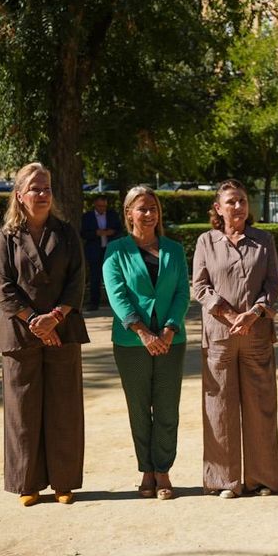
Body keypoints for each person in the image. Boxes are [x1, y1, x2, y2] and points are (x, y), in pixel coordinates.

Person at [0, 163, 88, 505]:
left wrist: (55, 317)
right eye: (35, 188)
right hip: (20, 334)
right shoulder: (7, 236)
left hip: (63, 329)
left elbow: (77, 279)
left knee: (64, 408)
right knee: (23, 412)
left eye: (46, 188)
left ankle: (64, 482)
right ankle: (27, 483)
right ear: (20, 195)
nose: (43, 194)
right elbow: (3, 285)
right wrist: (35, 320)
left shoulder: (66, 233)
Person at [191, 180, 278, 499]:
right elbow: (200, 286)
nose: (238, 206)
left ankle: (262, 479)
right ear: (218, 208)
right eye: (231, 202)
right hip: (219, 335)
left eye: (242, 200)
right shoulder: (206, 241)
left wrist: (254, 313)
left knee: (261, 406)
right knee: (219, 407)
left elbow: (272, 284)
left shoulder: (264, 240)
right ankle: (223, 480)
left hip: (256, 334)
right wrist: (230, 315)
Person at [102, 186, 189, 501]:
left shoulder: (174, 250)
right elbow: (117, 296)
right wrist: (143, 333)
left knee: (167, 408)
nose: (149, 214)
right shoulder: (116, 251)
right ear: (129, 213)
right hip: (131, 342)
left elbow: (182, 292)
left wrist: (168, 329)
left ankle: (163, 470)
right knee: (139, 409)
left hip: (170, 341)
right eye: (142, 208)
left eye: (153, 208)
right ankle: (146, 470)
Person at [80, 194, 123, 310]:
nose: (102, 209)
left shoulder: (112, 215)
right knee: (95, 277)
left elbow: (120, 230)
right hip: (94, 250)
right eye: (100, 206)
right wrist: (96, 233)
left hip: (110, 250)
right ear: (95, 204)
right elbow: (83, 233)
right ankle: (94, 303)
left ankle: (115, 303)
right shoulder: (88, 217)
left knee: (113, 276)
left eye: (104, 206)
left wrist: (111, 232)